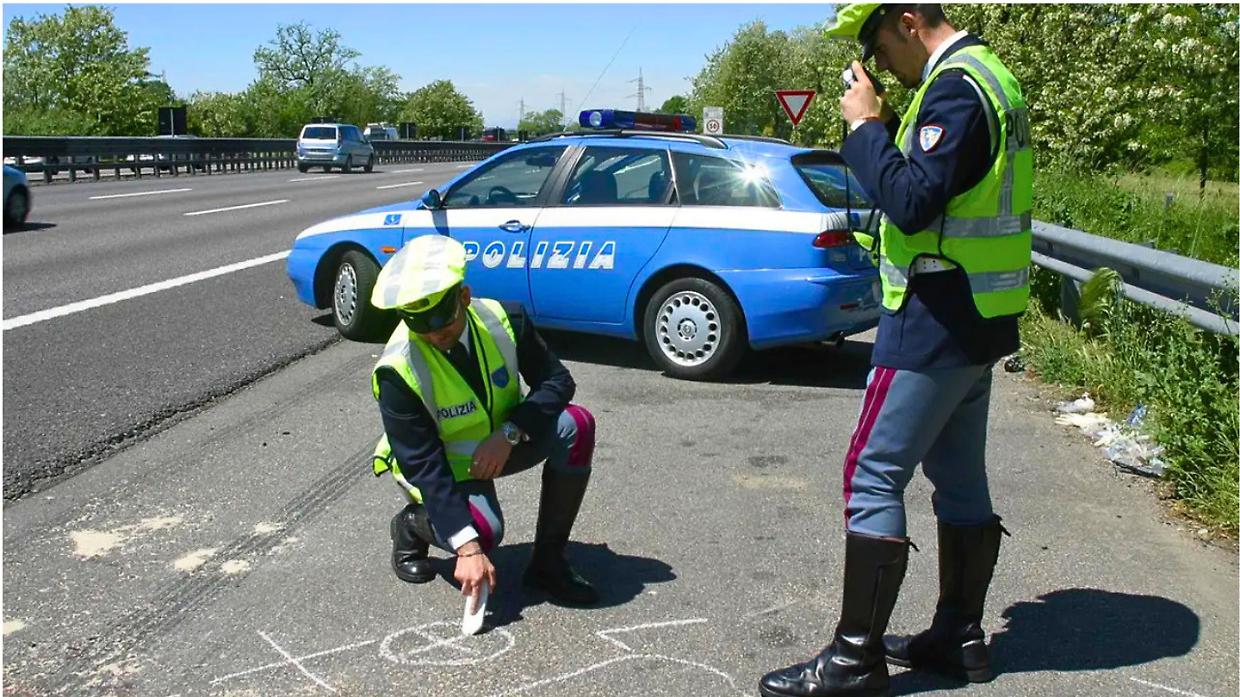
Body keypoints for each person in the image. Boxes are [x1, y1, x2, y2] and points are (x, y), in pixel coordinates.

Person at [759, 4, 1032, 696]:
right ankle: (958, 637)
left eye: (879, 48)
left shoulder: (956, 87)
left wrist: (865, 125)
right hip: (977, 315)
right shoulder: (991, 76)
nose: (880, 68)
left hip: (935, 314)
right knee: (958, 473)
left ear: (908, 19)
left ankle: (855, 656)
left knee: (871, 471)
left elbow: (912, 202)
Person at [368, 234, 599, 608]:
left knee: (577, 425)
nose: (435, 339)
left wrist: (509, 432)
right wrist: (468, 548)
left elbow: (559, 381)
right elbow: (422, 462)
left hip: (501, 443)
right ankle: (412, 524)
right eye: (422, 331)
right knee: (484, 534)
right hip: (444, 464)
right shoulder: (396, 371)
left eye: (443, 327)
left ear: (464, 297)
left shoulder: (505, 319)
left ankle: (548, 564)